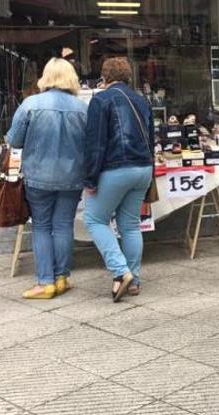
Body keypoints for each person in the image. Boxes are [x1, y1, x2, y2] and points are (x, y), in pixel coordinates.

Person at [6, 58, 88, 299]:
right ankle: (62, 278)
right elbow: (91, 143)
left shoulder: (31, 104)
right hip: (73, 176)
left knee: (41, 226)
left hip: (38, 176)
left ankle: (45, 282)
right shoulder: (82, 108)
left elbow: (14, 140)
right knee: (63, 225)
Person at [83, 57, 154, 302]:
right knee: (131, 225)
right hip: (143, 168)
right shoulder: (141, 101)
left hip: (115, 168)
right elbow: (151, 137)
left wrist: (90, 178)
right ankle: (133, 280)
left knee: (94, 219)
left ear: (105, 76)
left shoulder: (100, 100)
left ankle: (120, 271)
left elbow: (96, 143)